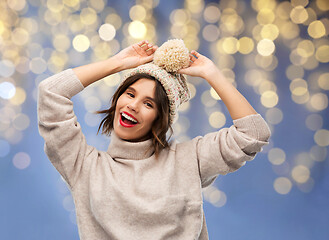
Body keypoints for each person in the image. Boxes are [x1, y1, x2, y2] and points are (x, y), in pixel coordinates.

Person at [37, 39, 271, 240]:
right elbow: (51, 92)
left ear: (160, 118)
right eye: (130, 94)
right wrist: (118, 63)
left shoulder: (189, 160)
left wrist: (212, 73)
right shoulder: (84, 167)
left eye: (148, 104)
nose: (133, 106)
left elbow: (253, 133)